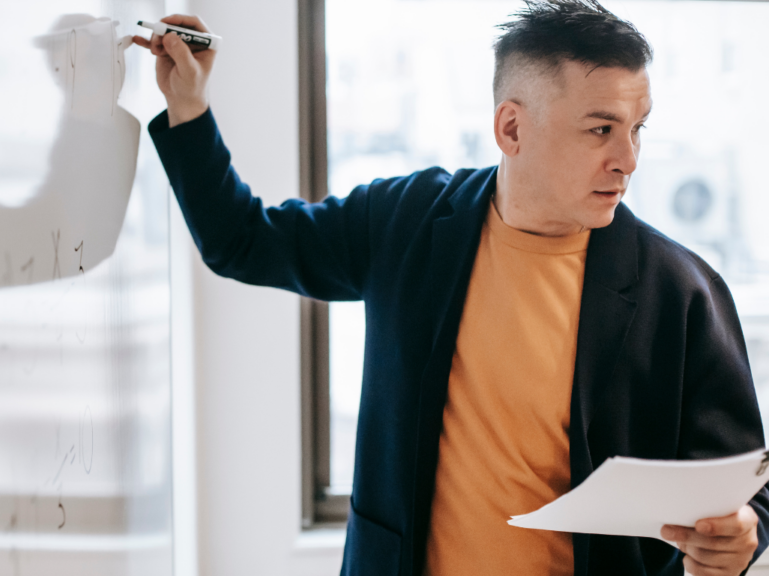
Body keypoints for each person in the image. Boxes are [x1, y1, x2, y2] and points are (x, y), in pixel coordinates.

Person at [132, 1, 769, 574]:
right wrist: (188, 103)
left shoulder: (682, 291)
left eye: (638, 128)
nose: (628, 157)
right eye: (601, 129)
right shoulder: (405, 221)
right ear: (511, 129)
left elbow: (748, 490)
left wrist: (744, 536)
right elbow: (243, 241)